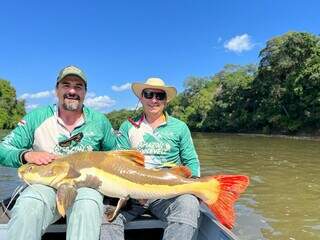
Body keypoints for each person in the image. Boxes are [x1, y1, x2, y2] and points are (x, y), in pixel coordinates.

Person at [0, 65, 116, 240]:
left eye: (78, 86)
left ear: (85, 92)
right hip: (44, 186)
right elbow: (3, 149)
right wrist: (26, 155)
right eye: (66, 85)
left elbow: (114, 157)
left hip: (85, 187)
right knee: (29, 205)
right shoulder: (36, 118)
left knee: (88, 204)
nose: (72, 90)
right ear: (57, 90)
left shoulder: (100, 121)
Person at [101, 77, 201, 240]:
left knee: (189, 203)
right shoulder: (128, 127)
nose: (154, 100)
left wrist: (196, 187)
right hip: (132, 193)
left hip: (167, 194)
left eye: (159, 96)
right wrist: (134, 188)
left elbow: (191, 162)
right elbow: (120, 163)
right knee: (104, 212)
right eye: (148, 94)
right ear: (141, 98)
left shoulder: (180, 127)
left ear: (166, 101)